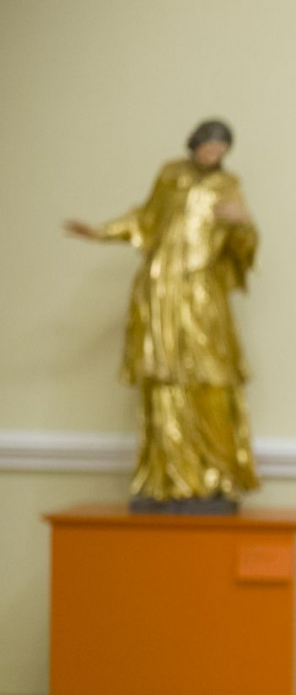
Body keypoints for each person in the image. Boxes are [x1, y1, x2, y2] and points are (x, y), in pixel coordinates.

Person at [64, 119, 260, 510]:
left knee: (212, 378)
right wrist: (101, 232)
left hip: (203, 291)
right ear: (196, 143)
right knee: (164, 379)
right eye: (210, 146)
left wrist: (244, 225)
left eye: (222, 149)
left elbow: (242, 247)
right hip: (162, 290)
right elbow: (145, 219)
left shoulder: (228, 186)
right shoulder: (171, 176)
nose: (214, 154)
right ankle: (166, 476)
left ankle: (215, 474)